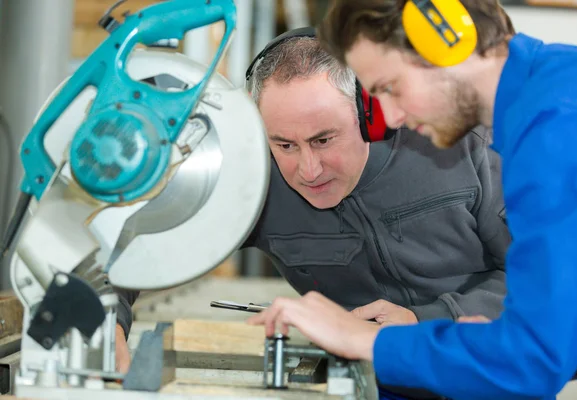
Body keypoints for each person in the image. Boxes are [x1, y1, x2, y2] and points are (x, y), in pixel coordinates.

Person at [117, 29, 510, 397]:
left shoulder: (460, 147)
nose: (308, 170)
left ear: (368, 113)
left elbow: (545, 280)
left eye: (323, 140)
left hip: (486, 371)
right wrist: (110, 325)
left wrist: (425, 321)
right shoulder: (253, 180)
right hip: (368, 383)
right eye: (285, 145)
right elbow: (136, 241)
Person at [248, 1, 577, 399]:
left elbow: (531, 358)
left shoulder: (559, 129)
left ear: (447, 43)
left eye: (389, 89)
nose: (391, 118)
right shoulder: (563, 93)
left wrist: (365, 341)